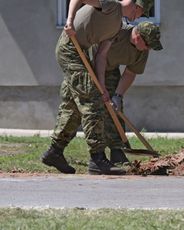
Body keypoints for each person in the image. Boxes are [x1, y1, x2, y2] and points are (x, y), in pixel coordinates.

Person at [41, 0, 151, 175]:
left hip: (82, 53)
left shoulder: (117, 27)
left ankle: (55, 152)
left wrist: (103, 88)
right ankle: (97, 159)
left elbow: (101, 56)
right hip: (70, 49)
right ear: (135, 6)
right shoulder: (111, 6)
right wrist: (69, 20)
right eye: (140, 13)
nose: (138, 18)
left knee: (75, 107)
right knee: (92, 103)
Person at [101, 21, 163, 164]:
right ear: (137, 38)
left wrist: (117, 95)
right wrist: (100, 85)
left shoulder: (142, 51)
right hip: (88, 64)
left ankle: (117, 152)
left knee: (115, 109)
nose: (149, 49)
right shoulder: (115, 31)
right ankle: (58, 150)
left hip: (110, 68)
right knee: (89, 109)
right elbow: (96, 52)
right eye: (148, 45)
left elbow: (130, 72)